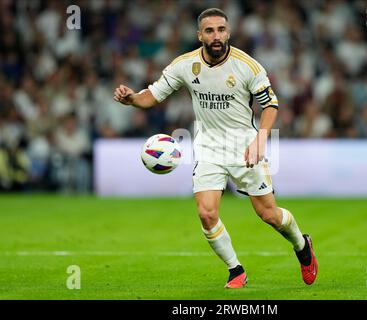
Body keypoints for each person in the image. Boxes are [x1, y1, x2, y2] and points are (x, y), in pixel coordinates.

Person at [114, 8, 318, 289]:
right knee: (206, 213)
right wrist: (133, 99)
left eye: (221, 29)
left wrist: (261, 138)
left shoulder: (248, 66)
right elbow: (153, 95)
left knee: (269, 215)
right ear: (200, 35)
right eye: (209, 31)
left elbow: (270, 104)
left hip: (245, 147)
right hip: (208, 147)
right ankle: (236, 270)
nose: (216, 35)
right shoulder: (185, 65)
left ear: (229, 32)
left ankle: (301, 244)